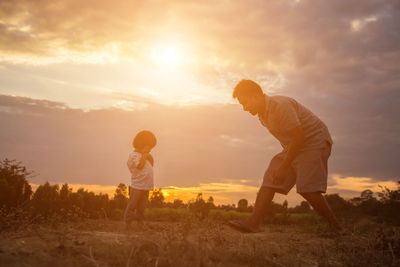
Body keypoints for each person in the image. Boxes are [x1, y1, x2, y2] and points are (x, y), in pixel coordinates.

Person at [228, 79, 343, 234]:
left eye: (245, 103)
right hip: (296, 146)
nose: (244, 108)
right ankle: (253, 223)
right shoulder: (262, 116)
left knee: (307, 188)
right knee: (271, 178)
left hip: (314, 141)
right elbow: (289, 139)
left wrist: (284, 166)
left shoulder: (280, 105)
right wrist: (284, 165)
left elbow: (298, 136)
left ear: (255, 95)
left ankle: (337, 228)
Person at [124, 130, 157, 230]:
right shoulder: (133, 155)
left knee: (142, 207)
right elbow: (140, 166)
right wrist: (144, 155)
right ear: (142, 144)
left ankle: (140, 224)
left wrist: (148, 156)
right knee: (133, 204)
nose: (150, 150)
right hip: (137, 186)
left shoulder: (144, 156)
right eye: (149, 147)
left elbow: (150, 166)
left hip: (146, 186)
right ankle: (128, 224)